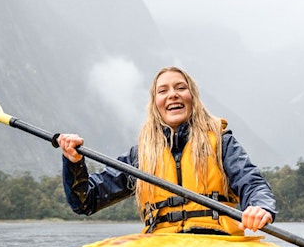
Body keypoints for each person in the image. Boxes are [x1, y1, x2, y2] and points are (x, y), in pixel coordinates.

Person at [55, 66, 276, 235]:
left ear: (193, 99)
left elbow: (252, 183)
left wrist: (259, 207)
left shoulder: (221, 143)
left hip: (217, 241)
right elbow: (86, 202)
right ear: (155, 104)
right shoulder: (141, 155)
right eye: (163, 91)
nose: (172, 95)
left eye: (181, 88)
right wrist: (74, 163)